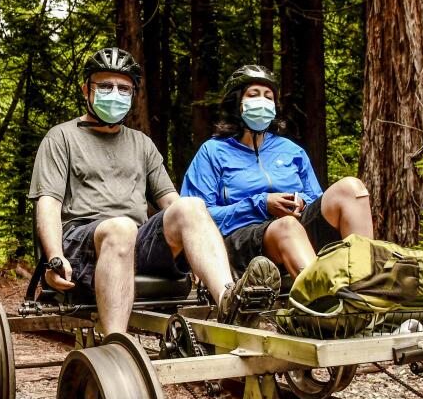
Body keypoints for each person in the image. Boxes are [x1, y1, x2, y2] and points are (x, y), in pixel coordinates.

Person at [29, 47, 281, 336]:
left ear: (133, 96)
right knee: (121, 227)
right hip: (81, 241)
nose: (115, 94)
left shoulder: (142, 144)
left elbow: (172, 202)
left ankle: (229, 303)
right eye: (106, 86)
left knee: (192, 206)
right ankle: (116, 345)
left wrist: (196, 244)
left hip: (134, 241)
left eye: (123, 88)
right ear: (87, 89)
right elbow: (48, 203)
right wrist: (53, 257)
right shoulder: (61, 137)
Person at [180, 65, 374, 279]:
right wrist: (260, 204)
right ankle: (320, 299)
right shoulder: (212, 151)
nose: (262, 102)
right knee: (287, 226)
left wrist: (301, 202)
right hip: (241, 239)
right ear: (237, 104)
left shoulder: (291, 150)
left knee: (351, 189)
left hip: (297, 227)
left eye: (268, 97)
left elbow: (318, 200)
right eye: (253, 95)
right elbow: (197, 218)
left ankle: (364, 284)